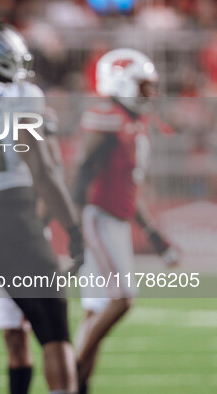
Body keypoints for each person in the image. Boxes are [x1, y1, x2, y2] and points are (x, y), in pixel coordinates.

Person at [0, 21, 83, 394]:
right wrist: (73, 230)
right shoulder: (23, 95)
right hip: (16, 221)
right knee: (56, 335)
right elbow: (45, 170)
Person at [73, 48, 179, 394]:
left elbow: (129, 192)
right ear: (123, 83)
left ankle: (79, 385)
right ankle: (70, 372)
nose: (151, 93)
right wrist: (74, 227)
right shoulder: (109, 117)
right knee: (122, 299)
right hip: (98, 219)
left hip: (114, 221)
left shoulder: (134, 122)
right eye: (144, 86)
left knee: (96, 311)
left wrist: (155, 237)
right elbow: (83, 172)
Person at [0, 105, 64, 394]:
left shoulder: (32, 115)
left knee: (16, 336)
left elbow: (50, 181)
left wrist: (28, 230)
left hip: (20, 247)